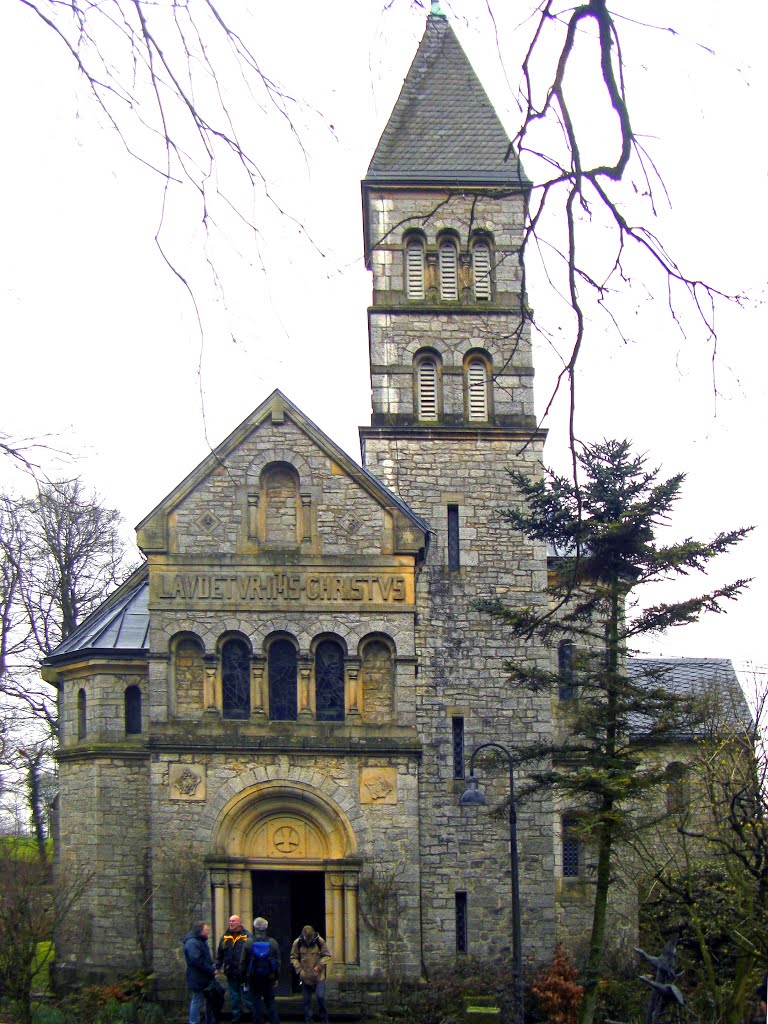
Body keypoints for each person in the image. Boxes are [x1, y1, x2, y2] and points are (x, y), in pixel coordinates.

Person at [242, 916, 281, 1024]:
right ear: (266, 928)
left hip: (254, 977)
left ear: (254, 928)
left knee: (256, 1002)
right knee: (270, 1002)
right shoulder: (273, 943)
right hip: (269, 977)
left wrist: (244, 977)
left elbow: (243, 962)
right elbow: (278, 962)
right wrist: (276, 977)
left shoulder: (248, 942)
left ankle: (258, 1021)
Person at [290, 925, 332, 1024]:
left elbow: (327, 956)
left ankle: (324, 1019)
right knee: (306, 1000)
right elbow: (293, 957)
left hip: (318, 976)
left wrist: (320, 966)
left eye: (310, 938)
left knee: (320, 997)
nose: (308, 940)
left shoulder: (319, 941)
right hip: (305, 976)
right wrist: (299, 970)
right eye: (307, 938)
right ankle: (309, 1020)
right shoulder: (298, 943)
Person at [215, 914, 252, 1023]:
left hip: (244, 973)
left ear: (239, 922)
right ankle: (236, 1016)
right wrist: (218, 966)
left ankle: (252, 1016)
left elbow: (251, 953)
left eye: (234, 921)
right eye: (230, 921)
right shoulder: (225, 937)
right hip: (231, 972)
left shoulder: (247, 936)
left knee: (247, 996)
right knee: (234, 996)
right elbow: (220, 953)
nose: (231, 923)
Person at [183, 921, 218, 1024]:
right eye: (206, 930)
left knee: (207, 999)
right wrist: (211, 970)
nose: (208, 932)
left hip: (203, 976)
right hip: (197, 976)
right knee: (197, 999)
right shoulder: (192, 942)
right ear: (200, 931)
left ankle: (209, 1020)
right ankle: (194, 1021)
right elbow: (196, 960)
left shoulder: (200, 941)